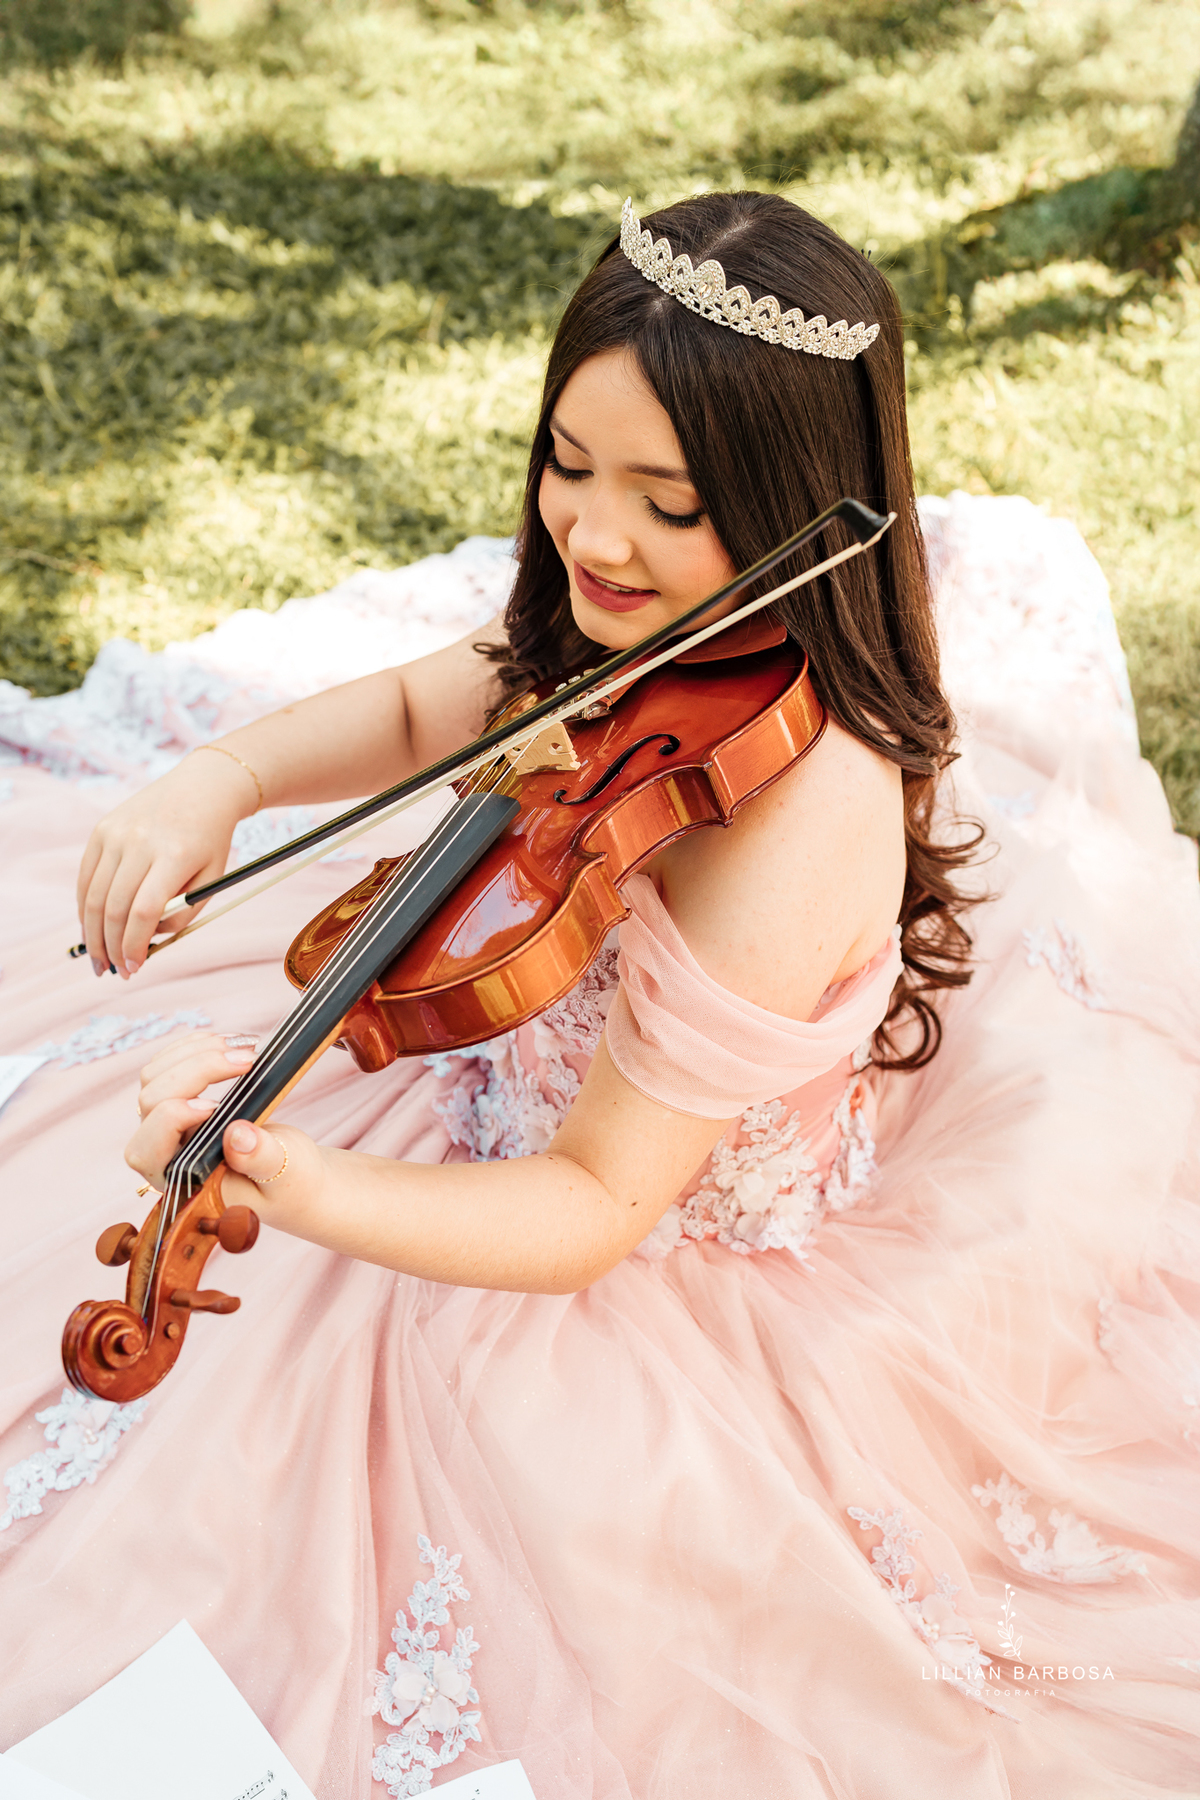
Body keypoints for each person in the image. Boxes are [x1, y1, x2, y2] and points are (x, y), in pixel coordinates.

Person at [0, 193, 1197, 1800]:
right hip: (485, 1103)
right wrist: (223, 775)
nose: (596, 539)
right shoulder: (645, 630)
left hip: (622, 1246)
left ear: (797, 505)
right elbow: (457, 693)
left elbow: (589, 1203)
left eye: (669, 500)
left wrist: (276, 1167)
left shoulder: (795, 824)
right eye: (569, 464)